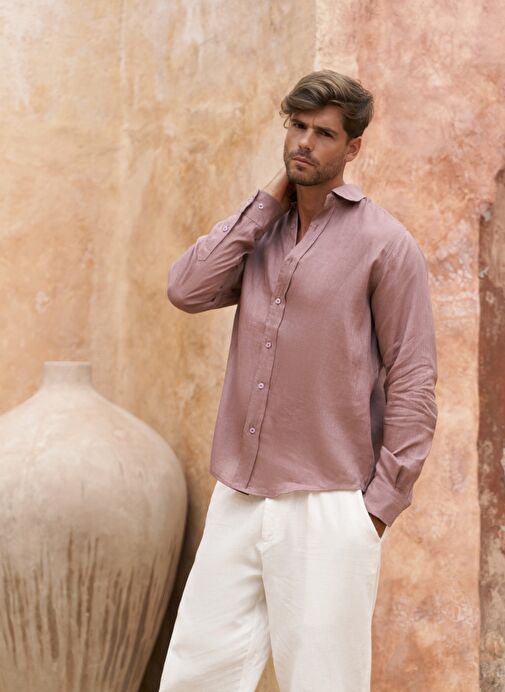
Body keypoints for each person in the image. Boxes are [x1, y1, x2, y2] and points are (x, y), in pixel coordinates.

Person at [159, 69, 438, 692]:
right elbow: (187, 288)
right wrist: (267, 201)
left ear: (353, 147)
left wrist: (377, 509)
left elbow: (414, 379)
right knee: (195, 676)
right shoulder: (261, 235)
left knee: (322, 683)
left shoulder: (385, 245)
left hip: (328, 504)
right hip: (239, 493)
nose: (305, 143)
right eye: (298, 127)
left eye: (324, 133)